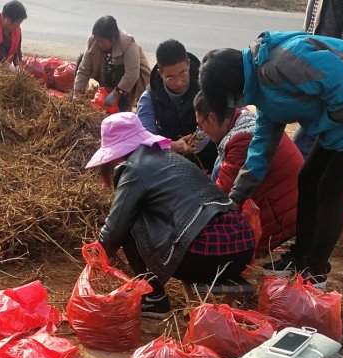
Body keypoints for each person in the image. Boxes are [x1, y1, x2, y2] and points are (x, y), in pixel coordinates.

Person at [199, 32, 343, 288]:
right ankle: (300, 257)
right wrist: (237, 196)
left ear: (230, 86)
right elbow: (261, 148)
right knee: (308, 178)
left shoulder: (283, 62)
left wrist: (334, 123)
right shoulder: (261, 91)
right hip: (342, 117)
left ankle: (316, 271)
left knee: (330, 189)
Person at [86, 113, 256, 318]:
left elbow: (116, 227)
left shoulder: (133, 169)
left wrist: (97, 255)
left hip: (207, 257)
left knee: (131, 222)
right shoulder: (169, 158)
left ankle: (154, 298)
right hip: (242, 251)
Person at [194, 91, 302, 256]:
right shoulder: (243, 120)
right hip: (289, 204)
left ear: (212, 118)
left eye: (201, 125)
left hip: (285, 218)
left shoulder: (240, 140)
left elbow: (222, 197)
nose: (201, 131)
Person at [137, 39, 217, 172]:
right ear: (160, 74)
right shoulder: (149, 98)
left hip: (208, 161)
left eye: (183, 74)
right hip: (170, 161)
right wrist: (170, 145)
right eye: (170, 77)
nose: (179, 82)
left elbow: (220, 117)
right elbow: (145, 135)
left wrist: (204, 136)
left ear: (189, 65)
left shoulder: (206, 87)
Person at [73, 16, 150, 112]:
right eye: (97, 40)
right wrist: (77, 93)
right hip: (105, 71)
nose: (99, 43)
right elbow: (84, 69)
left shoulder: (128, 43)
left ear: (113, 38)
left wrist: (115, 93)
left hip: (127, 79)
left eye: (102, 41)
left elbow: (132, 74)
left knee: (120, 70)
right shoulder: (93, 41)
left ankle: (124, 105)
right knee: (80, 59)